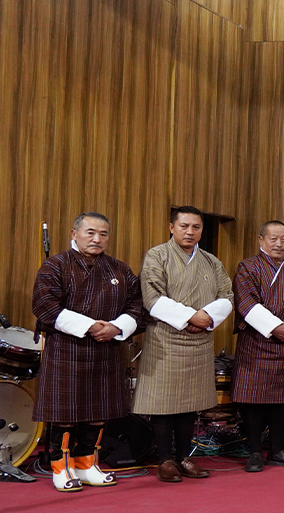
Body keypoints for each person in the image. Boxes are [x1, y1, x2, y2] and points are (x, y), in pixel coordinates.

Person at [33, 212, 145, 492]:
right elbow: (45, 305)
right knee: (64, 414)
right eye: (90, 232)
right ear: (74, 234)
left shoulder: (119, 269)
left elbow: (137, 305)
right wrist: (91, 326)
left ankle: (87, 464)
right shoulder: (55, 265)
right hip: (66, 348)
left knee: (98, 412)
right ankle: (61, 468)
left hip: (106, 349)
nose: (97, 239)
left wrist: (117, 327)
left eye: (103, 234)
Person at [136, 206, 232, 483]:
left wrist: (206, 318)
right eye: (184, 226)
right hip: (165, 338)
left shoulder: (211, 261)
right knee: (164, 402)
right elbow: (152, 297)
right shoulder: (157, 255)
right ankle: (165, 459)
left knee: (190, 402)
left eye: (196, 227)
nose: (190, 232)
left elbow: (227, 296)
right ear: (171, 227)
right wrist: (191, 317)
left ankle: (184, 457)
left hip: (199, 339)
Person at [233, 220, 284, 472]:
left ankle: (278, 450)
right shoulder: (248, 267)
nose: (279, 244)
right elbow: (246, 303)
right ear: (261, 240)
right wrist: (275, 327)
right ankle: (254, 452)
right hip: (257, 343)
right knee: (254, 401)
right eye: (273, 239)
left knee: (282, 401)